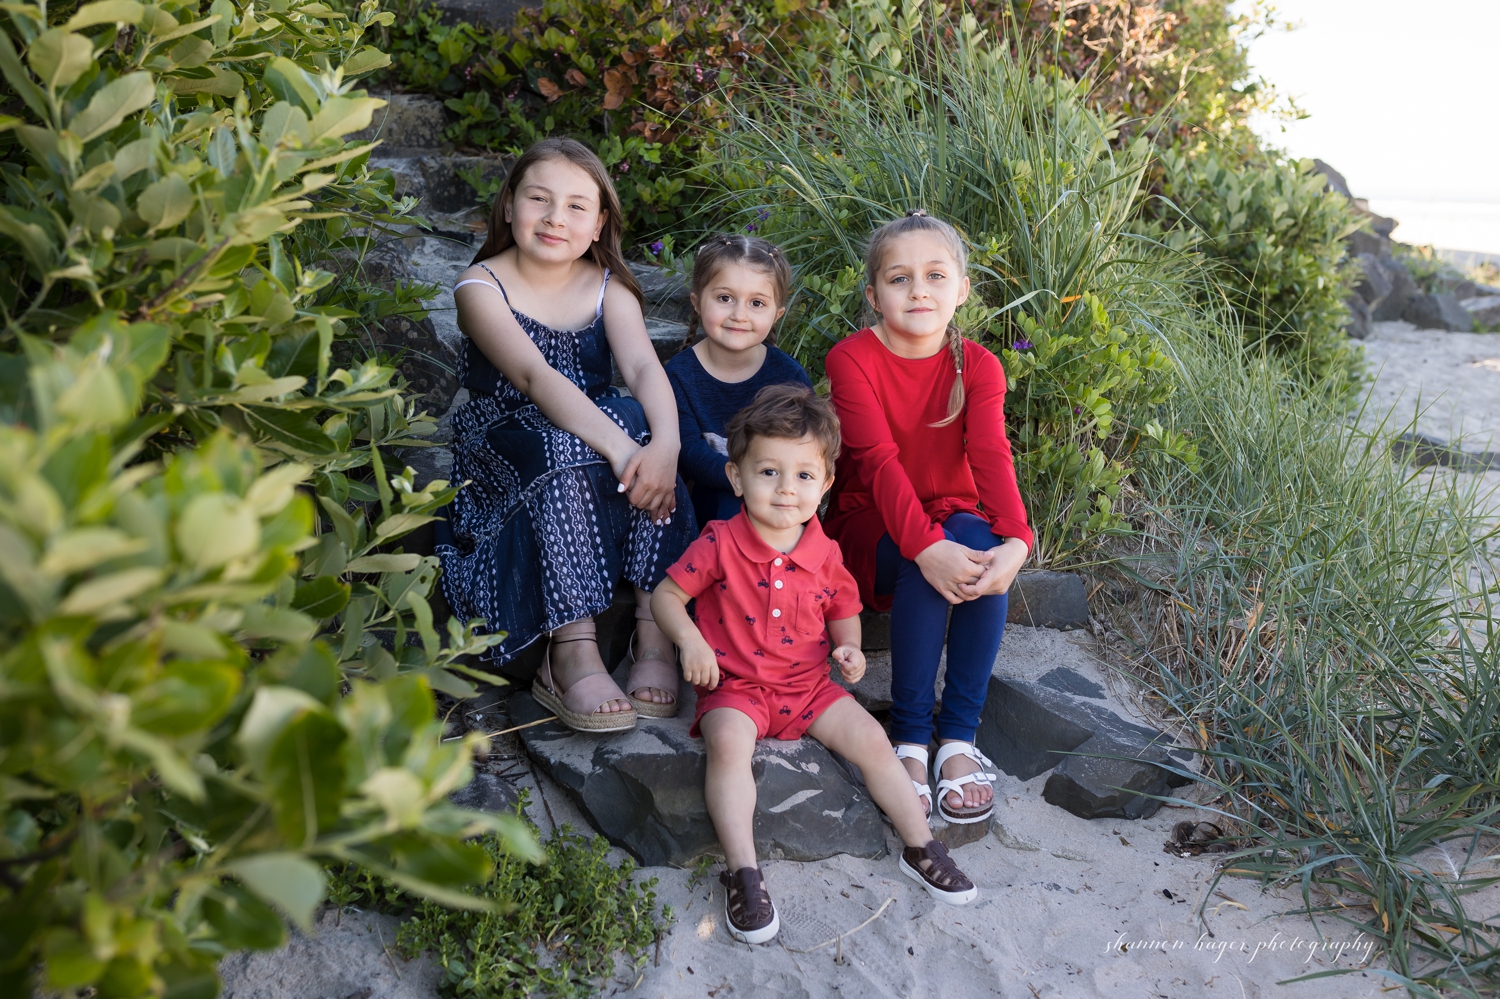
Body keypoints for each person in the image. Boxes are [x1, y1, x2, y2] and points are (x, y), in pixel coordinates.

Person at [652, 385, 980, 945]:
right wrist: (690, 642)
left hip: (808, 687)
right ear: (736, 477)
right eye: (769, 472)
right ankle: (744, 873)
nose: (786, 490)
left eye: (804, 476)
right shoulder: (720, 541)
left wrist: (848, 648)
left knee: (874, 740)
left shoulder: (825, 551)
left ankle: (922, 845)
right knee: (728, 744)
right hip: (736, 687)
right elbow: (666, 597)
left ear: (825, 485)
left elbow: (844, 609)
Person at [436, 137, 694, 732]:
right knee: (570, 444)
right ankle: (570, 646)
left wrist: (664, 446)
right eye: (539, 199)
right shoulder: (481, 287)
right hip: (508, 436)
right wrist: (625, 449)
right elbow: (535, 376)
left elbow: (641, 369)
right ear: (508, 206)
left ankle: (654, 632)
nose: (556, 218)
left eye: (578, 206)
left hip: (600, 433)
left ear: (601, 222)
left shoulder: (606, 284)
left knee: (645, 426)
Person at [824, 210, 1033, 826]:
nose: (919, 290)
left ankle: (958, 740)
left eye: (936, 275)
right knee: (935, 555)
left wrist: (1017, 541)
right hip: (871, 522)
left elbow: (992, 458)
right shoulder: (852, 359)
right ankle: (912, 740)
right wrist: (923, 547)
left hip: (951, 512)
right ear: (873, 294)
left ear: (961, 290)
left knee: (977, 545)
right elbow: (880, 463)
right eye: (899, 278)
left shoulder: (979, 365)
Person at [665, 234, 812, 530]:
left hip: (778, 498)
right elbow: (688, 451)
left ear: (777, 314)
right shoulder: (679, 374)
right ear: (696, 301)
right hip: (710, 502)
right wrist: (746, 481)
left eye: (757, 303)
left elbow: (804, 448)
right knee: (732, 505)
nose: (739, 314)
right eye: (724, 298)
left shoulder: (788, 376)